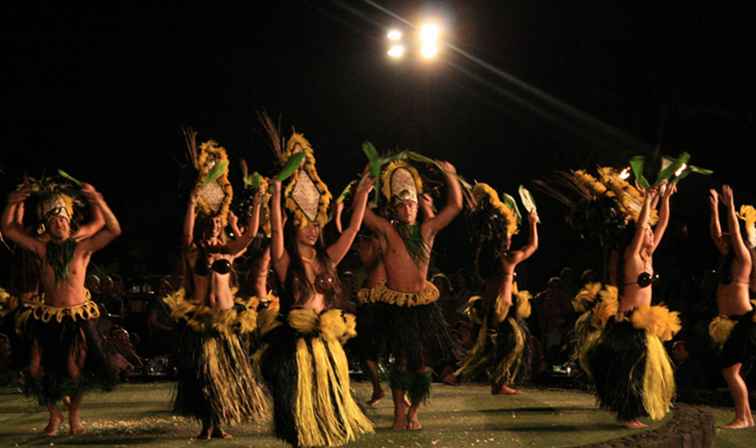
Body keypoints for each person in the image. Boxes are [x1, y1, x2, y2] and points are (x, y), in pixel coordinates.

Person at [262, 132, 374, 447]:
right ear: (294, 222)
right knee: (300, 409)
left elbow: (352, 228)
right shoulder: (285, 261)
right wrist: (276, 194)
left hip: (326, 344)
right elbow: (274, 228)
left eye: (316, 223)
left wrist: (362, 194)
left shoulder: (328, 260)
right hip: (296, 345)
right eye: (307, 222)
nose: (313, 228)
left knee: (328, 408)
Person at [164, 139, 269, 439]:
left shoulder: (227, 252)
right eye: (209, 225)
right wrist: (192, 201)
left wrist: (259, 200)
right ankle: (206, 425)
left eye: (217, 225)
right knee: (203, 376)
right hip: (200, 321)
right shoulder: (194, 252)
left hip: (225, 321)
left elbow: (249, 235)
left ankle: (218, 425)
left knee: (225, 374)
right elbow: (186, 231)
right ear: (203, 227)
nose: (213, 228)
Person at [1, 180, 123, 436]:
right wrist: (15, 201)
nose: (60, 223)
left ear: (70, 222)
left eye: (63, 219)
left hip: (77, 316)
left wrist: (97, 199)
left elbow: (113, 230)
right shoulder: (42, 250)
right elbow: (9, 229)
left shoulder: (82, 248)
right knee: (35, 368)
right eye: (54, 220)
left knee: (74, 370)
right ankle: (54, 416)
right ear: (48, 224)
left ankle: (73, 418)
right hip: (47, 317)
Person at [360, 159, 462, 430]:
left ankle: (413, 411)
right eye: (403, 205)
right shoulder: (388, 232)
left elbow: (455, 207)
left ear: (418, 206)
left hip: (423, 306)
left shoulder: (427, 231)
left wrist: (449, 176)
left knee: (422, 365)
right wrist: (363, 187)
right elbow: (362, 216)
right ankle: (398, 413)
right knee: (401, 362)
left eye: (412, 204)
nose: (408, 209)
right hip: (396, 305)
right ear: (395, 208)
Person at [588, 184, 680, 429]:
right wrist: (649, 200)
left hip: (642, 324)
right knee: (631, 372)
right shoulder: (632, 256)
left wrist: (666, 199)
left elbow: (662, 225)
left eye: (651, 233)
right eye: (648, 233)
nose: (651, 235)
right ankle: (627, 416)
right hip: (627, 323)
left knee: (640, 371)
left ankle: (631, 412)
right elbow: (641, 227)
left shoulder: (648, 257)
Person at [455, 183, 539, 395]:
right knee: (509, 346)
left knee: (495, 348)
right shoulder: (508, 260)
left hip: (488, 307)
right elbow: (532, 246)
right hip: (503, 310)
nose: (511, 237)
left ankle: (497, 382)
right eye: (509, 235)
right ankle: (499, 383)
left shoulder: (486, 259)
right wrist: (533, 223)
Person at [707, 185, 755, 429]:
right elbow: (717, 233)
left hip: (742, 322)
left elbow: (734, 234)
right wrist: (715, 206)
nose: (724, 239)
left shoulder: (744, 258)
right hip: (729, 323)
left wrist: (730, 204)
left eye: (730, 238)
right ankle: (747, 417)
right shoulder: (727, 258)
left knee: (730, 372)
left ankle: (742, 418)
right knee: (731, 370)